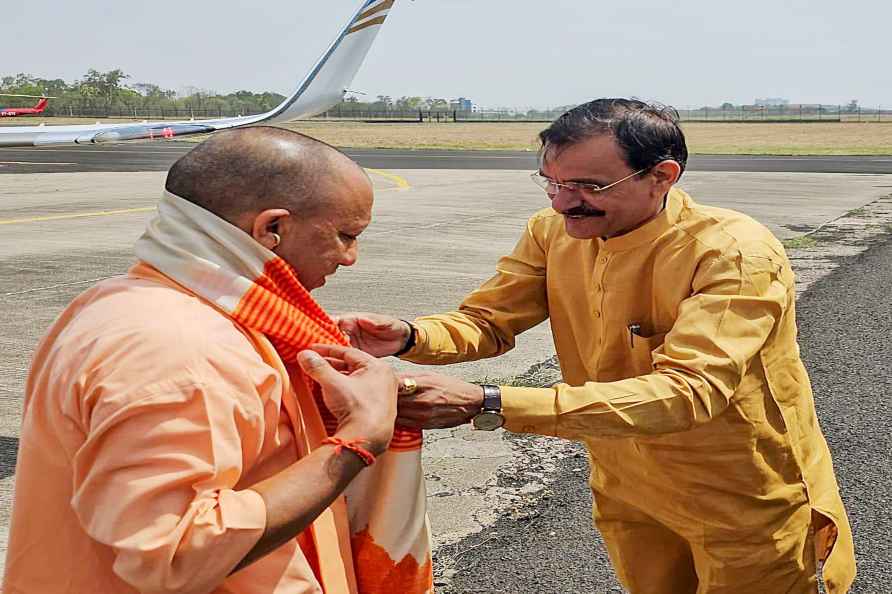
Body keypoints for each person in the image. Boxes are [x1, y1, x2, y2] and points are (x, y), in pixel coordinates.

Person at [336, 99, 855, 593]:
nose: (564, 202)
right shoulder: (553, 232)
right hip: (627, 486)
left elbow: (688, 393)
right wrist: (408, 335)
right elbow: (488, 321)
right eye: (552, 183)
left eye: (588, 185)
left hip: (742, 494)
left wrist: (490, 403)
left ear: (662, 177)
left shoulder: (732, 253)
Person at [4, 127, 432, 594]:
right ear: (272, 229)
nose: (350, 258)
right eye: (346, 235)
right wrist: (358, 440)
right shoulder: (181, 347)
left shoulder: (145, 302)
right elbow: (175, 553)